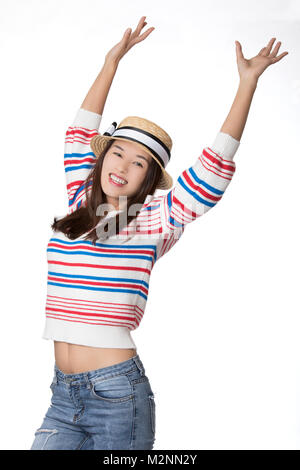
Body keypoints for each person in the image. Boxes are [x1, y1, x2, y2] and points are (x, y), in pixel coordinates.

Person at [30, 16, 288, 450]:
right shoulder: (79, 199)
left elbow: (212, 170)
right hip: (62, 394)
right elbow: (79, 132)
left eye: (139, 163)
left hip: (117, 394)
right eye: (118, 153)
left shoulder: (155, 219)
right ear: (103, 157)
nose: (123, 166)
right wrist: (111, 61)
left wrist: (248, 83)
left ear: (149, 178)